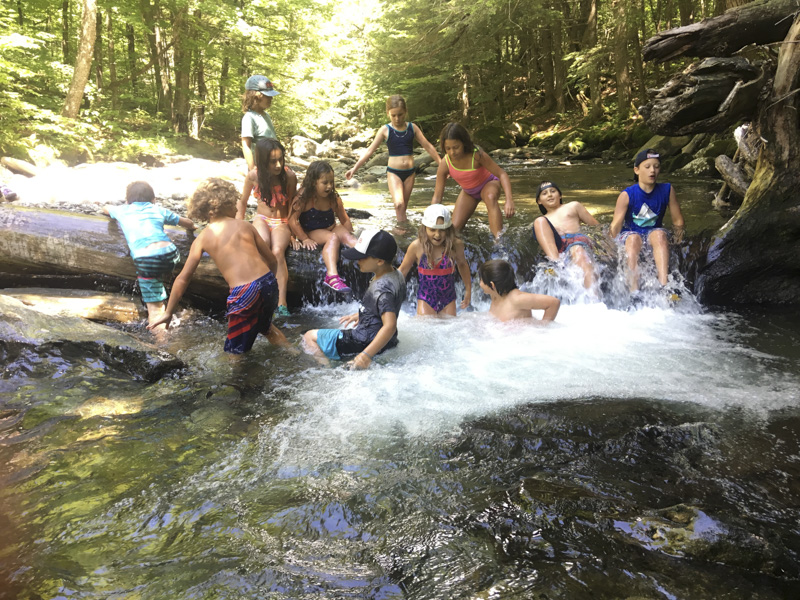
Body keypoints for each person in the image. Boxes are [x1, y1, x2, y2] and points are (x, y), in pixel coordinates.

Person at [147, 178, 288, 354]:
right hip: (268, 283)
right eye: (234, 202)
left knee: (234, 351)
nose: (238, 207)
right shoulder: (245, 225)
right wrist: (268, 283)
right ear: (223, 203)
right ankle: (294, 355)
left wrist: (168, 312)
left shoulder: (203, 238)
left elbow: (183, 278)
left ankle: (234, 380)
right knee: (266, 328)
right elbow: (272, 260)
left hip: (245, 292)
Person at [302, 229, 406, 369]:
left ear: (380, 261)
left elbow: (390, 325)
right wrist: (364, 314)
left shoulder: (381, 290)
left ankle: (326, 370)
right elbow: (388, 306)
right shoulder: (397, 274)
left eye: (362, 257)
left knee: (309, 337)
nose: (357, 260)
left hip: (362, 341)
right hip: (389, 343)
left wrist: (365, 356)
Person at [103, 181, 195, 328]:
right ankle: (164, 289)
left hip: (146, 259)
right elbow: (187, 223)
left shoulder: (122, 210)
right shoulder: (157, 209)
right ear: (154, 200)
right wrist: (194, 226)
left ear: (127, 201)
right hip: (170, 253)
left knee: (155, 310)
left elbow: (106, 209)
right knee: (162, 263)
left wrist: (108, 208)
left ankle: (160, 346)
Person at [345, 95, 441, 223]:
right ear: (388, 114)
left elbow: (428, 146)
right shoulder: (385, 130)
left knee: (403, 207)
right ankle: (401, 230)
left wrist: (441, 163)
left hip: (410, 173)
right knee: (399, 204)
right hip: (394, 173)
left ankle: (403, 230)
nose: (397, 118)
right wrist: (354, 168)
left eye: (400, 115)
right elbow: (370, 150)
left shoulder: (412, 128)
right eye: (393, 115)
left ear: (405, 112)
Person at [609, 149, 685, 292]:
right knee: (633, 239)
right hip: (631, 234)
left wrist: (678, 242)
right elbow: (616, 225)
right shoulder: (627, 195)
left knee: (659, 235)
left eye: (656, 167)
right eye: (648, 166)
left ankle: (664, 286)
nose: (653, 171)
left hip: (653, 233)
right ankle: (633, 289)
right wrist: (610, 247)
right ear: (637, 170)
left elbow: (678, 221)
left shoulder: (667, 190)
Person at [237, 138, 297, 316]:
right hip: (262, 219)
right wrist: (238, 225)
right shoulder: (253, 176)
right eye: (273, 161)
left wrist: (294, 232)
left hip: (281, 221)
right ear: (262, 161)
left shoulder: (290, 177)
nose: (278, 165)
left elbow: (293, 206)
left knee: (278, 251)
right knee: (261, 243)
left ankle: (281, 303)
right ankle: (260, 296)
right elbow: (242, 202)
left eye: (281, 159)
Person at [431, 123, 515, 240]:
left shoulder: (477, 155)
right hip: (469, 192)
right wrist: (430, 221)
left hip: (489, 184)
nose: (452, 152)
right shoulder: (445, 163)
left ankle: (499, 242)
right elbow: (437, 197)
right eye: (448, 148)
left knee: (490, 196)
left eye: (456, 147)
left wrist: (509, 200)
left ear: (464, 144)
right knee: (453, 233)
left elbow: (502, 174)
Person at [289, 161, 357, 293]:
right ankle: (331, 276)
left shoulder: (334, 198)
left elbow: (344, 220)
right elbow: (292, 220)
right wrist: (304, 238)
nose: (329, 186)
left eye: (331, 182)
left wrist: (350, 235)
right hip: (312, 231)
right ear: (313, 182)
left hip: (331, 227)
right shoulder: (303, 197)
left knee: (347, 237)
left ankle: (367, 258)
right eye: (325, 183)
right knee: (332, 238)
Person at [398, 204, 471, 316]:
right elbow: (402, 270)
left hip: (448, 299)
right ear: (425, 228)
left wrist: (468, 290)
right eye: (432, 230)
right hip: (426, 299)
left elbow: (462, 265)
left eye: (442, 230)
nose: (437, 235)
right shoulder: (417, 246)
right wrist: (386, 290)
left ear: (448, 229)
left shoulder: (455, 245)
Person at [532, 181, 600, 289]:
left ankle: (593, 298)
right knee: (539, 221)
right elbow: (544, 242)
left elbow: (597, 227)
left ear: (560, 195)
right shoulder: (543, 221)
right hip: (558, 249)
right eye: (544, 193)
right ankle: (556, 264)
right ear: (539, 201)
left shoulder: (573, 206)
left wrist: (608, 248)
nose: (549, 194)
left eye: (553, 191)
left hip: (576, 241)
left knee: (579, 252)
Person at [478, 259, 560, 322]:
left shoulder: (517, 299)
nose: (480, 283)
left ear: (492, 285)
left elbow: (553, 303)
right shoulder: (495, 295)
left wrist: (543, 329)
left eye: (481, 280)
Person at [241, 74, 280, 171]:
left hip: (273, 165)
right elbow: (246, 145)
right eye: (267, 96)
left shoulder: (266, 116)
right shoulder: (249, 117)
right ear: (256, 96)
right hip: (260, 168)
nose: (271, 98)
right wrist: (253, 168)